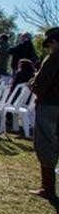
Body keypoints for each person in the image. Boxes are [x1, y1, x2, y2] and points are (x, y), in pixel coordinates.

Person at [28, 26, 59, 200]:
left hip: (50, 106)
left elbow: (40, 85)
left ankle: (48, 187)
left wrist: (32, 83)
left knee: (45, 142)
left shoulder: (54, 59)